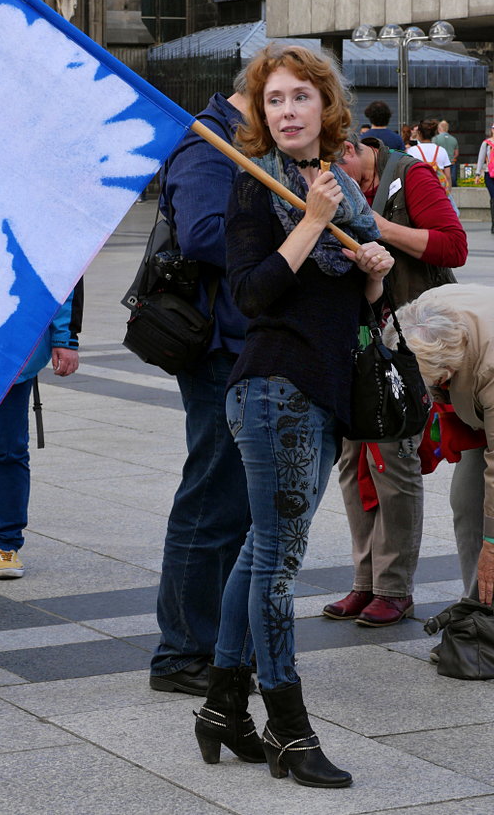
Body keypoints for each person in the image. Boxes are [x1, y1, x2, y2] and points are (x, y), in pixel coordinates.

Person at [193, 44, 393, 788]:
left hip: (323, 389)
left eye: (297, 98)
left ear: (325, 107)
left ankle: (221, 707)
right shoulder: (253, 187)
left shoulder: (342, 185)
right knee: (278, 564)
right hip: (273, 389)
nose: (284, 112)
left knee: (259, 552)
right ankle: (288, 728)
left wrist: (373, 276)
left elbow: (349, 307)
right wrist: (311, 223)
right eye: (272, 100)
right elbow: (252, 293)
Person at [323, 134, 467, 626]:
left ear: (351, 146)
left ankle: (394, 586)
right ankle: (364, 582)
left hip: (408, 337)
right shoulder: (325, 181)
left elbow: (454, 246)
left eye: (339, 162)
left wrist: (379, 227)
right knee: (353, 459)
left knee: (394, 459)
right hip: (354, 336)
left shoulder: (409, 175)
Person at [149, 72, 252, 697]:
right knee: (211, 497)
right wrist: (291, 224)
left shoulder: (245, 145)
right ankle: (181, 652)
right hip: (215, 345)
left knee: (236, 501)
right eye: (280, 97)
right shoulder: (207, 143)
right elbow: (204, 234)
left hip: (247, 339)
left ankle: (216, 641)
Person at [389, 284, 494, 606]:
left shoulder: (489, 367)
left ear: (449, 369)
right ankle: (476, 616)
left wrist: (491, 543)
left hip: (486, 384)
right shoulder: (421, 316)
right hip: (477, 401)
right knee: (466, 502)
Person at [0, 282, 83, 578]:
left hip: (13, 348)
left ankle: (7, 543)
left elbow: (60, 273)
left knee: (7, 450)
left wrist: (65, 337)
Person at [407, 117, 452, 192]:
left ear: (419, 133)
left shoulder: (412, 151)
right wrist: (448, 192)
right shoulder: (441, 150)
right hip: (438, 191)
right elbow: (448, 176)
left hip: (420, 190)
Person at [475, 122, 494, 234]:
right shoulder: (486, 144)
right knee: (493, 197)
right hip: (489, 174)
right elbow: (481, 159)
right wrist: (477, 174)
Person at [433, 120, 459, 187]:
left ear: (439, 128)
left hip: (439, 165)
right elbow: (456, 153)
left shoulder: (435, 139)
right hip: (451, 163)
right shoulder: (454, 139)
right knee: (451, 181)